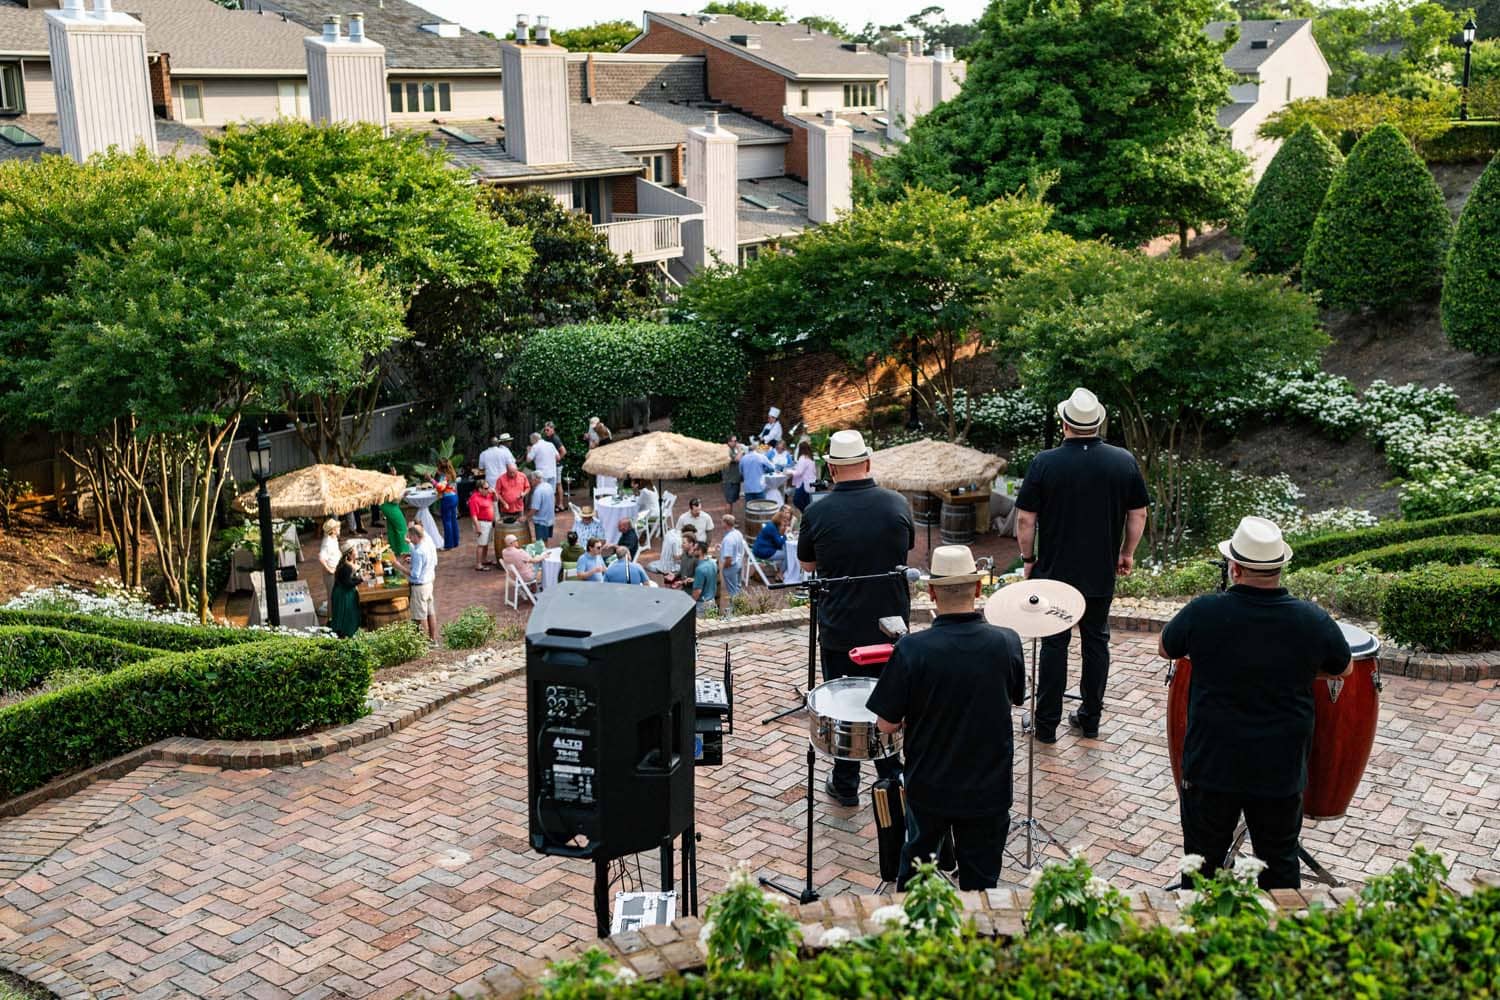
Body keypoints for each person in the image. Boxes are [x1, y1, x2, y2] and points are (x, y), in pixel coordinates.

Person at [1160, 517, 1351, 889]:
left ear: (1234, 567)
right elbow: (1342, 668)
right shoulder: (1311, 619)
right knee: (1279, 867)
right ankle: (1277, 926)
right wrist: (1295, 670)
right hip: (1279, 767)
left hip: (1212, 764)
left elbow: (1166, 647)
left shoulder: (1204, 611)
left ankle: (1201, 925)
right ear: (1280, 567)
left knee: (1201, 869)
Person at [868, 545, 1025, 890]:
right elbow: (1015, 698)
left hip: (930, 787)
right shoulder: (1007, 642)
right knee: (982, 890)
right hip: (989, 788)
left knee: (917, 885)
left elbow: (886, 724)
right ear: (979, 588)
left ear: (932, 593)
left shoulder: (911, 649)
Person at [1015, 388, 1149, 744]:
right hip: (1100, 571)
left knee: (1054, 644)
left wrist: (1028, 559)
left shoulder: (1045, 462)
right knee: (1096, 641)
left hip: (1055, 572)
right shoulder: (1123, 461)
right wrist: (1127, 552)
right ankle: (1090, 720)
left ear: (1065, 424)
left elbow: (1026, 519)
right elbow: (1138, 513)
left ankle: (1046, 726)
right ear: (1098, 424)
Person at [797, 429, 914, 808]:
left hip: (841, 625)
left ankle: (846, 783)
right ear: (867, 462)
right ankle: (891, 777)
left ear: (831, 469)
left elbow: (807, 564)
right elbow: (905, 550)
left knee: (843, 704)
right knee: (890, 699)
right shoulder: (897, 504)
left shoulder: (816, 511)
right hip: (890, 625)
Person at [402, 523, 439, 643]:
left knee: (420, 616)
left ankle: (424, 643)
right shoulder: (426, 545)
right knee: (430, 612)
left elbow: (414, 574)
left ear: (415, 536)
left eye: (410, 536)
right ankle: (432, 639)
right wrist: (412, 558)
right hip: (428, 583)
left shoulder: (418, 551)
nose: (409, 539)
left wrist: (397, 566)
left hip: (419, 587)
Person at [329, 542, 365, 639]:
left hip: (343, 592)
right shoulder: (346, 567)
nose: (356, 552)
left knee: (346, 616)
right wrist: (362, 579)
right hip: (343, 595)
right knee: (348, 616)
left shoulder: (346, 564)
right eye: (355, 550)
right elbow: (348, 583)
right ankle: (347, 635)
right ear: (349, 554)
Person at [752, 505, 791, 577]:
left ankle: (781, 570)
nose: (784, 523)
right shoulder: (772, 528)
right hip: (762, 551)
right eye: (784, 521)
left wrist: (782, 534)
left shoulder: (772, 524)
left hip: (760, 549)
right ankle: (780, 574)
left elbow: (777, 540)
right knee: (787, 555)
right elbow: (779, 543)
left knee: (784, 551)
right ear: (779, 520)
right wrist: (785, 534)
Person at [718, 513, 746, 613]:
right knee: (737, 587)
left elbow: (728, 558)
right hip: (738, 563)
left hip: (731, 567)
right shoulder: (738, 533)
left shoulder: (728, 539)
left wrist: (724, 567)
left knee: (732, 590)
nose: (721, 523)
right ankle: (740, 606)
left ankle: (734, 611)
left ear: (726, 523)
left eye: (722, 522)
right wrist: (722, 548)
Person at [431, 458, 461, 551]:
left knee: (447, 522)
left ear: (440, 467)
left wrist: (431, 480)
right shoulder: (452, 474)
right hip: (454, 497)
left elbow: (440, 487)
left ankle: (448, 545)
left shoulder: (444, 476)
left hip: (447, 499)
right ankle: (455, 542)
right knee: (453, 520)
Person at [467, 479, 497, 571]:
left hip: (488, 522)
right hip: (481, 523)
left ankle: (484, 559)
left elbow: (495, 500)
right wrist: (478, 527)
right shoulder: (474, 499)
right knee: (481, 544)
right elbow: (473, 515)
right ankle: (478, 564)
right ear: (480, 489)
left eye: (488, 487)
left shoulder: (488, 495)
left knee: (486, 543)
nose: (488, 490)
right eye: (486, 488)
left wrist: (495, 493)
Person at [528, 431, 561, 511]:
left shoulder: (535, 446)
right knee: (551, 493)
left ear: (534, 440)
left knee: (541, 492)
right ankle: (551, 510)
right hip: (552, 472)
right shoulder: (550, 444)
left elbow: (528, 460)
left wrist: (528, 451)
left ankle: (542, 511)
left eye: (531, 441)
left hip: (542, 474)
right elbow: (558, 457)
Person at [661, 524, 699, 589]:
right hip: (684, 588)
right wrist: (675, 576)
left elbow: (698, 578)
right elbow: (682, 571)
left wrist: (681, 582)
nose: (681, 545)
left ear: (691, 543)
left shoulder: (697, 558)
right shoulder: (684, 554)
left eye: (684, 543)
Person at [317, 518, 341, 617]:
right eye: (337, 527)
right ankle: (331, 619)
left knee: (336, 596)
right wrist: (330, 570)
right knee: (332, 597)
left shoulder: (334, 539)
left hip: (335, 570)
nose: (339, 528)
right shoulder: (327, 543)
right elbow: (321, 558)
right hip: (330, 574)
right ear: (333, 530)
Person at [689, 538, 718, 616]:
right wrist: (695, 580)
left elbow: (697, 592)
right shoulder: (713, 563)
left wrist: (690, 604)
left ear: (700, 551)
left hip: (702, 606)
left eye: (694, 549)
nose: (692, 551)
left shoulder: (700, 569)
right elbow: (709, 578)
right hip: (712, 601)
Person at [790, 441, 818, 512]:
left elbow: (799, 472)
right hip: (811, 483)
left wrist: (789, 472)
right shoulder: (811, 458)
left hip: (803, 483)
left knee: (797, 500)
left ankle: (805, 513)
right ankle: (807, 514)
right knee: (807, 501)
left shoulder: (803, 458)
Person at [527, 471, 556, 542]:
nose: (530, 482)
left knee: (541, 543)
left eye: (531, 480)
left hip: (541, 521)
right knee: (545, 540)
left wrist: (526, 517)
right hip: (550, 519)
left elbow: (534, 509)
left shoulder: (538, 491)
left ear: (536, 479)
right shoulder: (549, 486)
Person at [380, 493, 409, 558]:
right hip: (390, 506)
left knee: (392, 528)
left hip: (385, 504)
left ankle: (394, 549)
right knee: (401, 527)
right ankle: (404, 551)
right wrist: (403, 495)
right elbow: (395, 500)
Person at [722, 435, 745, 507]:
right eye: (734, 441)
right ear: (729, 442)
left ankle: (730, 514)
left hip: (735, 479)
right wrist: (740, 450)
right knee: (729, 502)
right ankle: (728, 514)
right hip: (729, 480)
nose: (736, 443)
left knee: (732, 501)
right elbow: (737, 459)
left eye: (736, 441)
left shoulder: (733, 449)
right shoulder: (726, 451)